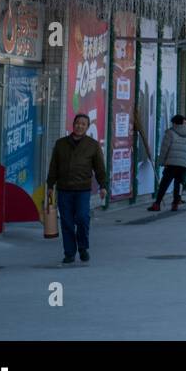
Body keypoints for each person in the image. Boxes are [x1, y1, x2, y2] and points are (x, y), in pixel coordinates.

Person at [45, 113, 108, 264]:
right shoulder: (61, 144)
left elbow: (99, 168)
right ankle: (69, 253)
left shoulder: (92, 145)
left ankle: (83, 247)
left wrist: (103, 186)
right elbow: (54, 165)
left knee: (82, 218)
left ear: (87, 127)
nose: (80, 126)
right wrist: (50, 185)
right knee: (66, 222)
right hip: (64, 188)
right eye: (77, 123)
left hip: (82, 189)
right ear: (73, 125)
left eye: (83, 124)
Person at [149, 115, 186, 212]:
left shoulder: (170, 133)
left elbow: (164, 148)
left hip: (171, 163)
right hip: (183, 164)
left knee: (164, 184)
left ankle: (157, 204)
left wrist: (161, 161)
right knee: (178, 184)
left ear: (174, 123)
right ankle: (175, 204)